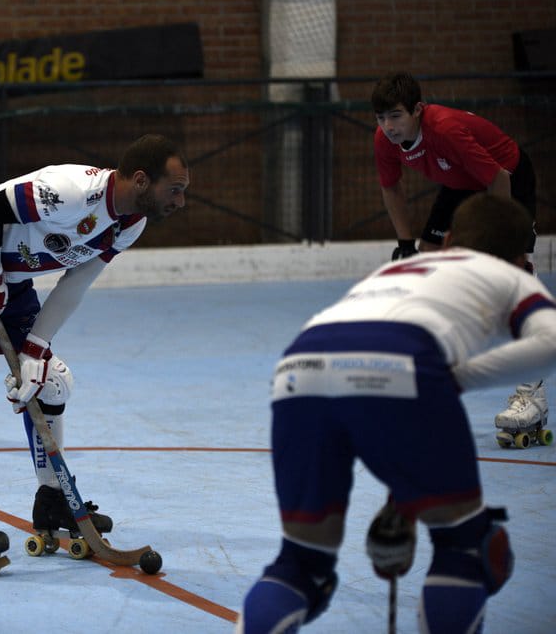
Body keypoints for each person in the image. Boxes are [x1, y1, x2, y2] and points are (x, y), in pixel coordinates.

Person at [235, 194, 556, 633]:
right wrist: (461, 377)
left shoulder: (397, 270)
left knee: (302, 565)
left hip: (298, 369)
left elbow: (364, 379)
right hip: (401, 366)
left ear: (451, 241)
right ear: (522, 257)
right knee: (467, 550)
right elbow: (551, 343)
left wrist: (403, 505)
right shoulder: (511, 277)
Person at [0, 134, 189, 562]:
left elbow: (76, 282)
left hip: (8, 273)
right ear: (141, 180)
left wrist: (36, 347)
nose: (179, 202)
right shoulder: (71, 192)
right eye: (174, 190)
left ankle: (52, 498)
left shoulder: (129, 223)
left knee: (52, 381)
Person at [371, 71, 546, 442]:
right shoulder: (385, 139)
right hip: (459, 185)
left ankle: (532, 393)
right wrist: (406, 243)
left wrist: (496, 240)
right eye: (381, 118)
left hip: (508, 177)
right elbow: (391, 188)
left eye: (396, 116)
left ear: (417, 110)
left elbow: (498, 177)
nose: (388, 126)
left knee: (511, 274)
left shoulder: (445, 130)